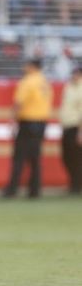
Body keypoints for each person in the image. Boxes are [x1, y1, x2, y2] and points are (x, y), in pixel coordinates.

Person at [2, 59, 53, 198]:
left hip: (28, 122)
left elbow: (19, 102)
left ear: (32, 67)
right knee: (35, 158)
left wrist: (12, 119)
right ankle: (35, 190)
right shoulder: (44, 82)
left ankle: (12, 189)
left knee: (19, 157)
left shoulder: (27, 82)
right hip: (41, 122)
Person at [59, 67, 82, 195]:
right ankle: (73, 182)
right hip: (67, 126)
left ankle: (77, 185)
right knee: (67, 157)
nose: (74, 76)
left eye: (77, 74)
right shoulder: (68, 87)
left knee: (77, 158)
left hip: (77, 127)